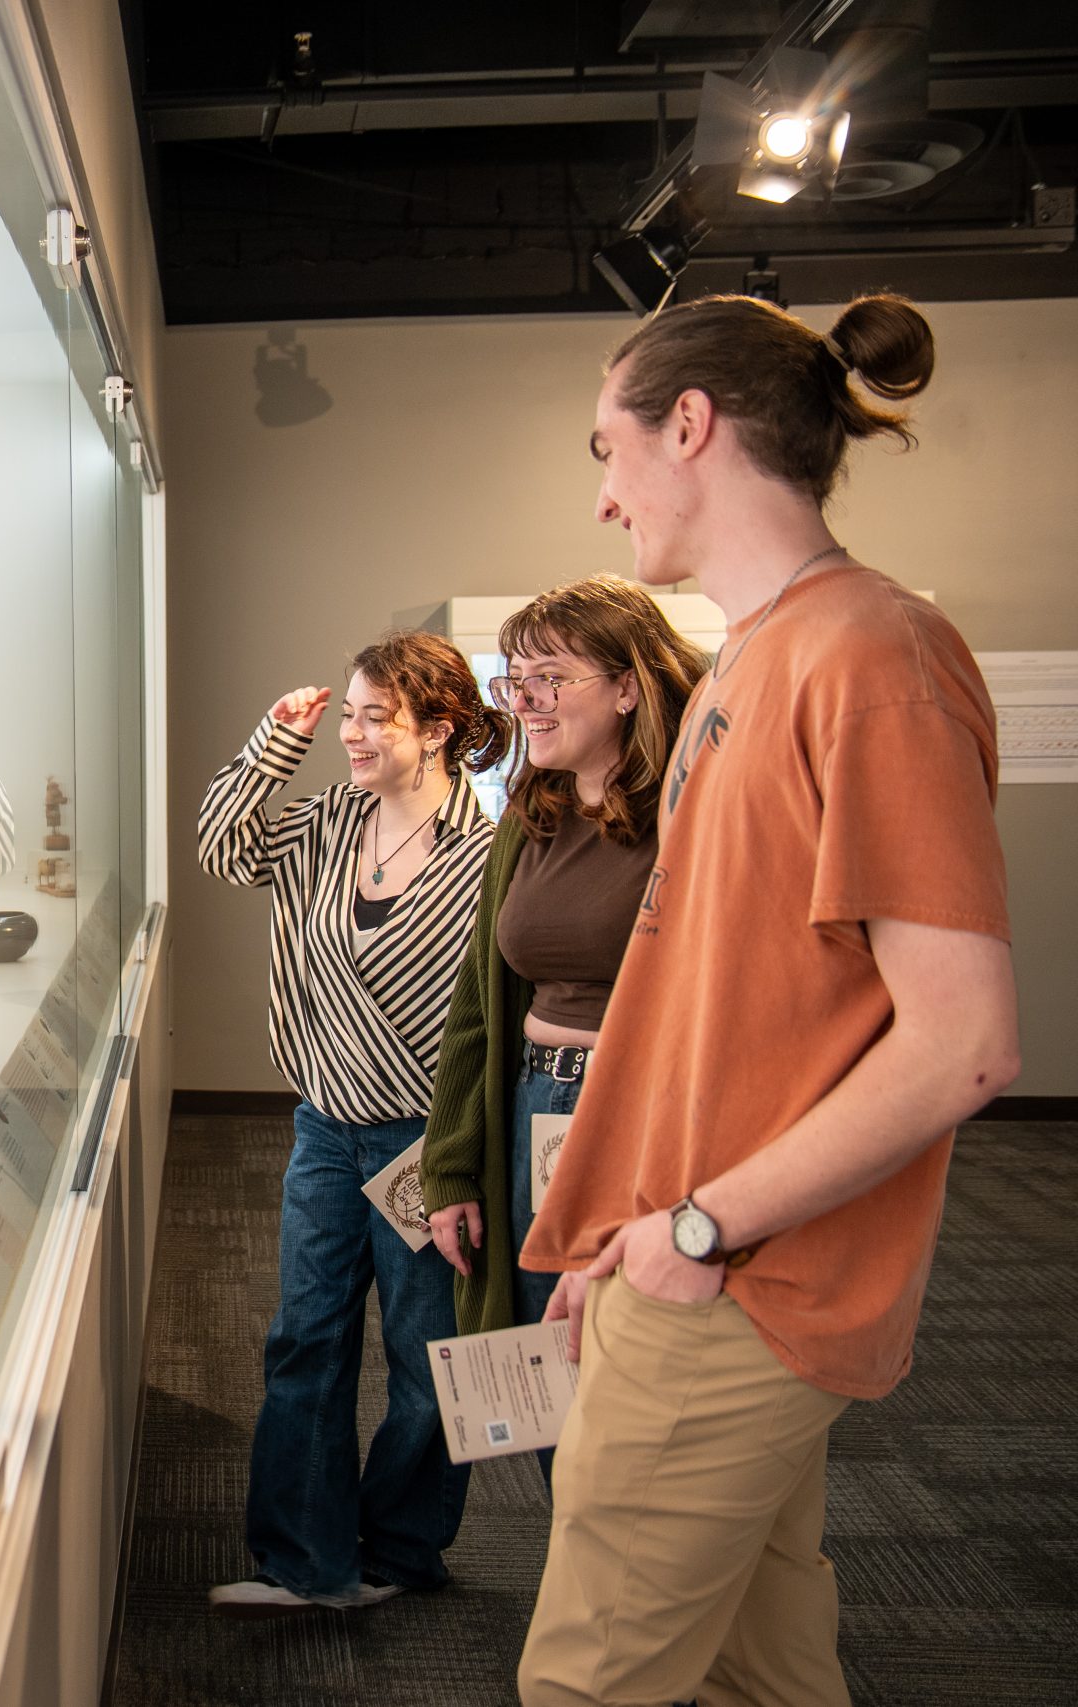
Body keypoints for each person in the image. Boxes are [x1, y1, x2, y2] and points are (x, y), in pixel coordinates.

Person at [516, 294, 1017, 1706]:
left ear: (691, 425)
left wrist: (696, 1227)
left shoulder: (874, 656)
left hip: (746, 1278)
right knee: (763, 1674)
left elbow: (965, 1042)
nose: (605, 498)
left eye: (608, 448)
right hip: (690, 1255)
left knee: (586, 1685)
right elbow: (718, 1003)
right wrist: (627, 1224)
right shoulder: (753, 650)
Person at [195, 634, 514, 1615]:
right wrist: (271, 745)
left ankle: (403, 1550)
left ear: (441, 731)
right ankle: (305, 1560)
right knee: (306, 1341)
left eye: (377, 717)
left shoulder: (490, 850)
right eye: (349, 716)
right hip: (327, 1128)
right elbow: (219, 848)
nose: (353, 735)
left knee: (426, 1363)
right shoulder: (329, 818)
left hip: (431, 1143)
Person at [420, 577, 708, 1483]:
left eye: (551, 675)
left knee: (630, 1369)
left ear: (628, 686)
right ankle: (581, 1581)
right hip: (533, 1104)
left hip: (638, 1116)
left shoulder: (689, 816)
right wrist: (451, 1162)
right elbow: (479, 1003)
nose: (525, 699)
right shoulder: (532, 812)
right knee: (550, 1358)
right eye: (515, 678)